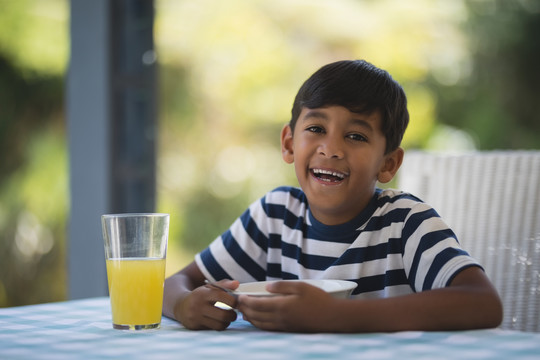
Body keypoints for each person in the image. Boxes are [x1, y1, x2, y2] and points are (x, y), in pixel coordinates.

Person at [162, 59, 503, 332]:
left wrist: (339, 316)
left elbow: (483, 303)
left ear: (388, 164)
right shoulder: (274, 217)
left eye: (355, 135)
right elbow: (176, 283)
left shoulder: (405, 223)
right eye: (316, 129)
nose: (332, 148)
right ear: (289, 143)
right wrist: (183, 306)